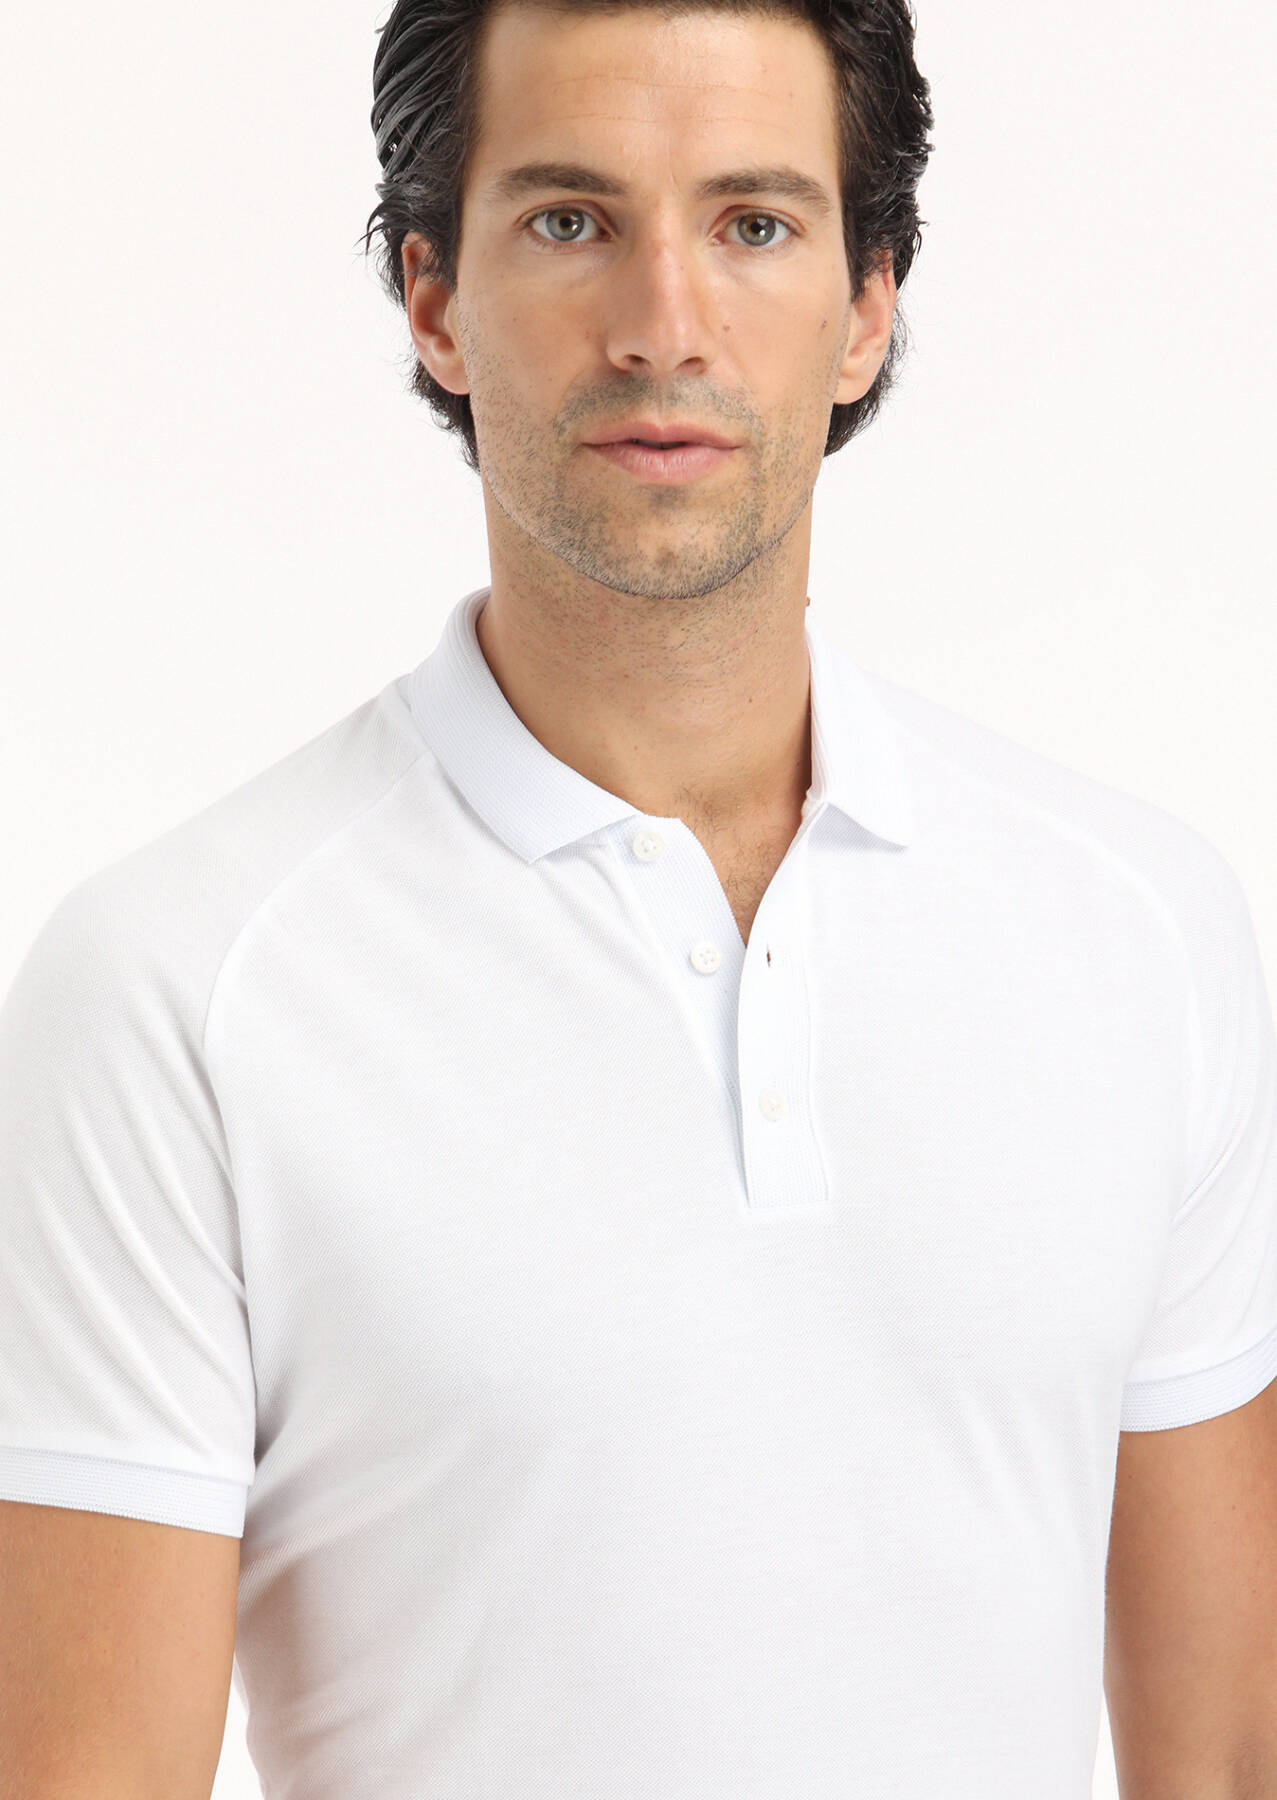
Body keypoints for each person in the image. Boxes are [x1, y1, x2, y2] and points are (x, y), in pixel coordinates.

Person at [2, 2, 1276, 1797]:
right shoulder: (176, 985)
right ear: (434, 300)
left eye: (752, 223)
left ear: (867, 304)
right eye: (569, 220)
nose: (663, 324)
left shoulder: (1140, 931)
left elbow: (1223, 1759)